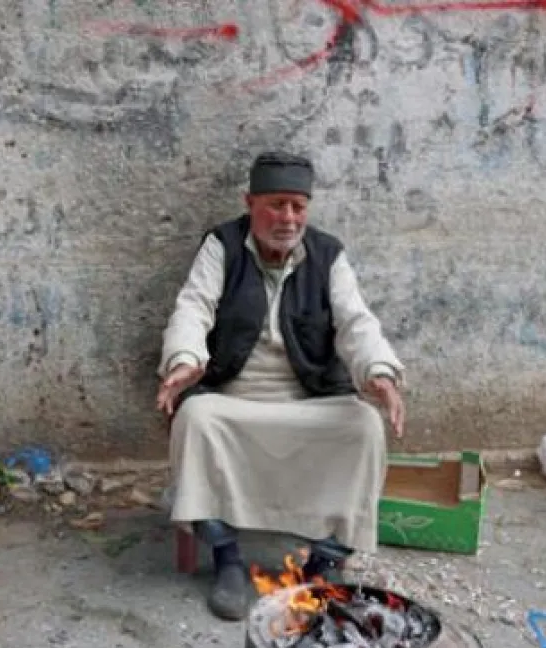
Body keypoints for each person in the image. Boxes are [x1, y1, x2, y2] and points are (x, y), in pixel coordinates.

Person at [155, 151, 406, 621]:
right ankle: (228, 560)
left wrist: (380, 373)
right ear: (251, 203)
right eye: (276, 205)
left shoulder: (328, 254)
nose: (287, 218)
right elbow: (194, 307)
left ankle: (322, 566)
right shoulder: (222, 246)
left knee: (363, 427)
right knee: (195, 418)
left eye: (297, 206)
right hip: (234, 401)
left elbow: (356, 322)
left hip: (308, 400)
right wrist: (186, 361)